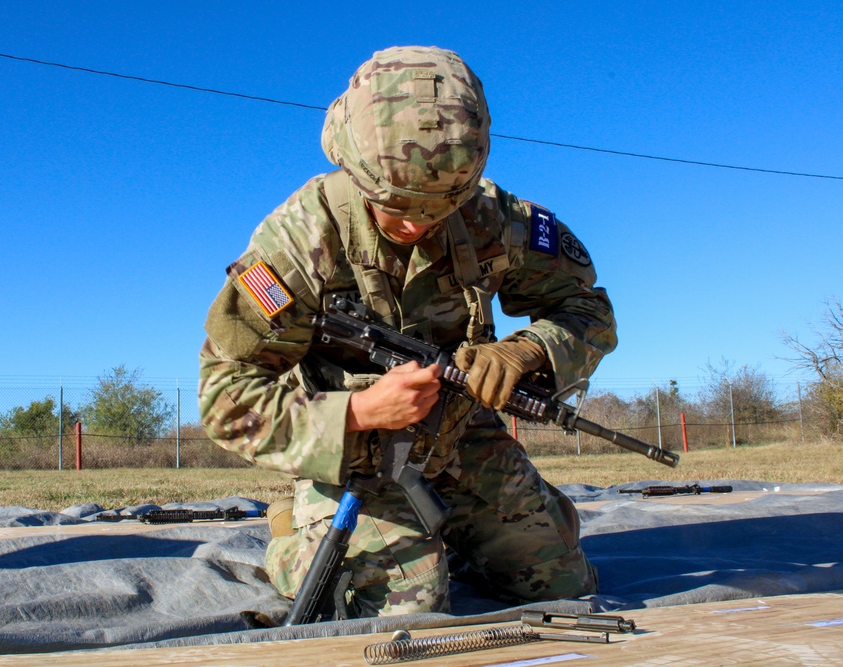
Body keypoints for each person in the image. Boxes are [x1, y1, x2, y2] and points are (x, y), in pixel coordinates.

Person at [198, 45, 617, 617]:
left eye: (440, 208)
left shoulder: (499, 220)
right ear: (351, 166)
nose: (417, 223)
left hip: (460, 433)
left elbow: (588, 311)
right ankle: (292, 537)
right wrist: (360, 412)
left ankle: (459, 534)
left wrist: (527, 352)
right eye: (395, 208)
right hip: (355, 451)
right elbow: (225, 399)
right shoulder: (300, 243)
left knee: (563, 586)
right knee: (407, 606)